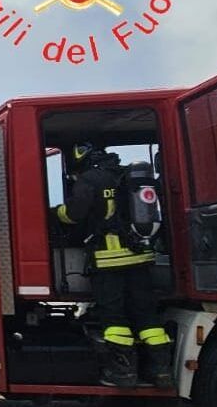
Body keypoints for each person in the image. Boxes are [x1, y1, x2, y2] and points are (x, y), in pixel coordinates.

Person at [55, 142, 173, 388]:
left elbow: (75, 214)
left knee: (114, 317)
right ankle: (161, 369)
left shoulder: (89, 179)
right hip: (140, 258)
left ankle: (123, 371)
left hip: (109, 259)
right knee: (146, 314)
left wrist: (54, 214)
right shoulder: (127, 175)